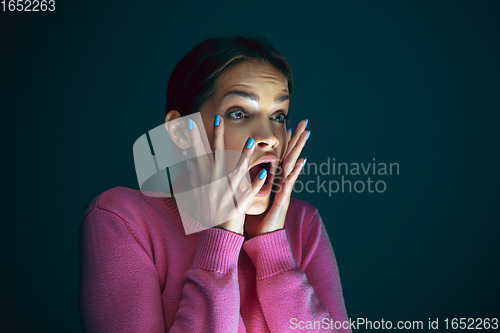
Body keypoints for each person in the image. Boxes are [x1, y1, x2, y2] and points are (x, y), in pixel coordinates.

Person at [78, 35, 351, 332]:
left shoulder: (302, 224)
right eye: (239, 113)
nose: (271, 137)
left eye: (278, 115)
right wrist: (221, 236)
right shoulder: (122, 219)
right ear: (182, 133)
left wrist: (274, 249)